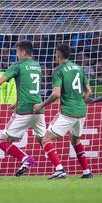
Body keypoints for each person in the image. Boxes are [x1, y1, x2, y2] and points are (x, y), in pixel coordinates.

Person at [0, 40, 46, 177]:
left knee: (3, 142)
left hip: (23, 111)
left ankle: (25, 159)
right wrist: (17, 102)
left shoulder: (18, 66)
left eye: (17, 52)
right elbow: (30, 89)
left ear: (23, 52)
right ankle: (59, 167)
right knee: (44, 140)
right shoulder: (37, 66)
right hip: (38, 108)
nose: (16, 55)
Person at [34, 44, 93, 179]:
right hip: (81, 111)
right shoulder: (79, 68)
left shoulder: (59, 70)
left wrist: (41, 105)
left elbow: (56, 94)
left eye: (55, 54)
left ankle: (60, 169)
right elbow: (89, 91)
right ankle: (86, 171)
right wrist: (82, 99)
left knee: (46, 139)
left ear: (59, 55)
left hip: (68, 112)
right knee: (75, 141)